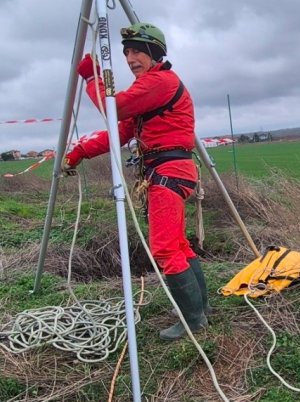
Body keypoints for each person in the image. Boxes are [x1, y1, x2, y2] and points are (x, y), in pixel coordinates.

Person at [62, 22, 209, 341]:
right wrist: (81, 151)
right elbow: (123, 130)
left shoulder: (159, 82)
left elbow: (115, 107)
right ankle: (199, 311)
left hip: (169, 172)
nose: (130, 58)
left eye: (138, 51)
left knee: (165, 248)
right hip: (169, 171)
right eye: (127, 52)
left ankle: (193, 321)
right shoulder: (150, 89)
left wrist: (91, 77)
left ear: (154, 54)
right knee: (178, 244)